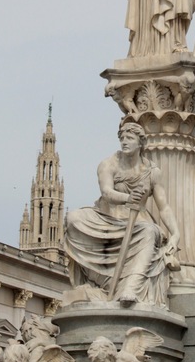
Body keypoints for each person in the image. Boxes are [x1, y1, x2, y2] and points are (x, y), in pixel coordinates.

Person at [64, 121, 180, 306]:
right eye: (122, 138)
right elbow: (106, 192)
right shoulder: (108, 164)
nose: (125, 142)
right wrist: (128, 197)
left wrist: (175, 233)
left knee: (150, 231)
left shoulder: (152, 172)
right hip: (106, 218)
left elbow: (164, 207)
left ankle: (130, 288)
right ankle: (103, 281)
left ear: (140, 143)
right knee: (73, 218)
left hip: (136, 222)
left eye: (130, 138)